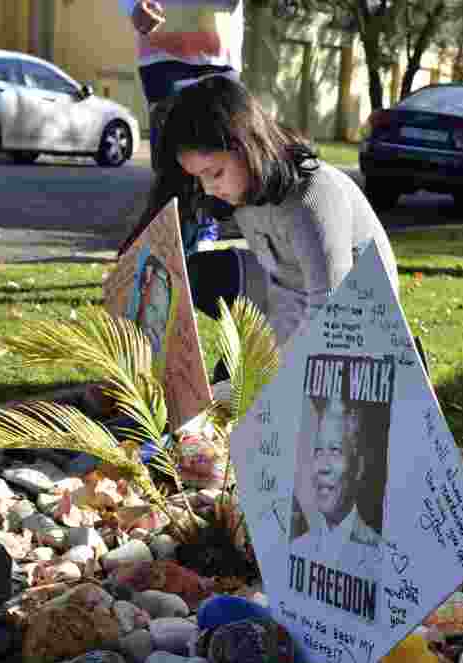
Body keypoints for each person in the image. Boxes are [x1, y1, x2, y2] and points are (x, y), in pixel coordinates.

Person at [148, 75, 400, 365]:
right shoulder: (245, 189)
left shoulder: (311, 196)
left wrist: (267, 376)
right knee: (196, 274)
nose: (208, 188)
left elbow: (330, 311)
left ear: (247, 146)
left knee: (241, 394)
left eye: (215, 173)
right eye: (198, 177)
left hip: (357, 324)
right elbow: (284, 287)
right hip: (291, 297)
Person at [117, 0, 244, 257]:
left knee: (222, 157)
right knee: (173, 168)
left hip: (221, 52)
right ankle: (159, 256)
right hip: (162, 53)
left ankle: (202, 243)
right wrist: (130, 5)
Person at [290, 395, 383, 579]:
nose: (323, 467)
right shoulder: (296, 550)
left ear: (358, 467)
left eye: (335, 451)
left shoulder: (380, 556)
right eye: (317, 451)